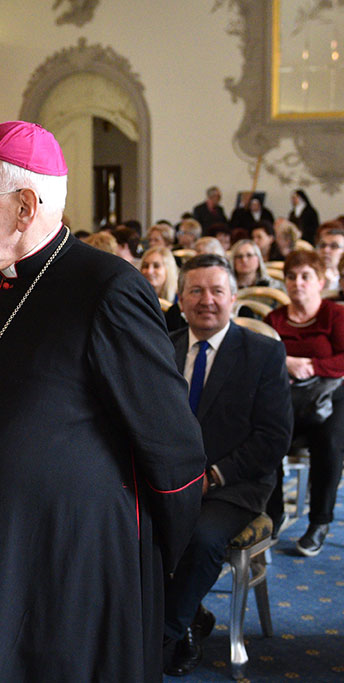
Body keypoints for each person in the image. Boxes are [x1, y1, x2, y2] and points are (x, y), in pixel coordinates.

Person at [0, 121, 205, 681]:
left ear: (25, 206)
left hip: (67, 561)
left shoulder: (107, 289)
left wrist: (144, 557)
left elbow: (172, 448)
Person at [163, 254, 292, 676]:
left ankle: (164, 634)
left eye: (217, 290)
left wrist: (213, 476)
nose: (206, 300)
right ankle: (188, 617)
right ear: (180, 300)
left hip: (236, 485)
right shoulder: (163, 348)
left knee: (200, 537)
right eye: (195, 291)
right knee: (122, 523)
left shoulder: (263, 353)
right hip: (169, 479)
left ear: (233, 297)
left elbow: (273, 439)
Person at [265, 248, 344, 556]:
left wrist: (309, 365)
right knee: (265, 436)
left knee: (329, 440)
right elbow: (261, 357)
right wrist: (286, 363)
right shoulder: (274, 318)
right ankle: (273, 512)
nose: (298, 282)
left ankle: (319, 522)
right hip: (286, 396)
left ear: (320, 281)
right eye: (291, 277)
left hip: (330, 394)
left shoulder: (334, 315)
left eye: (306, 277)